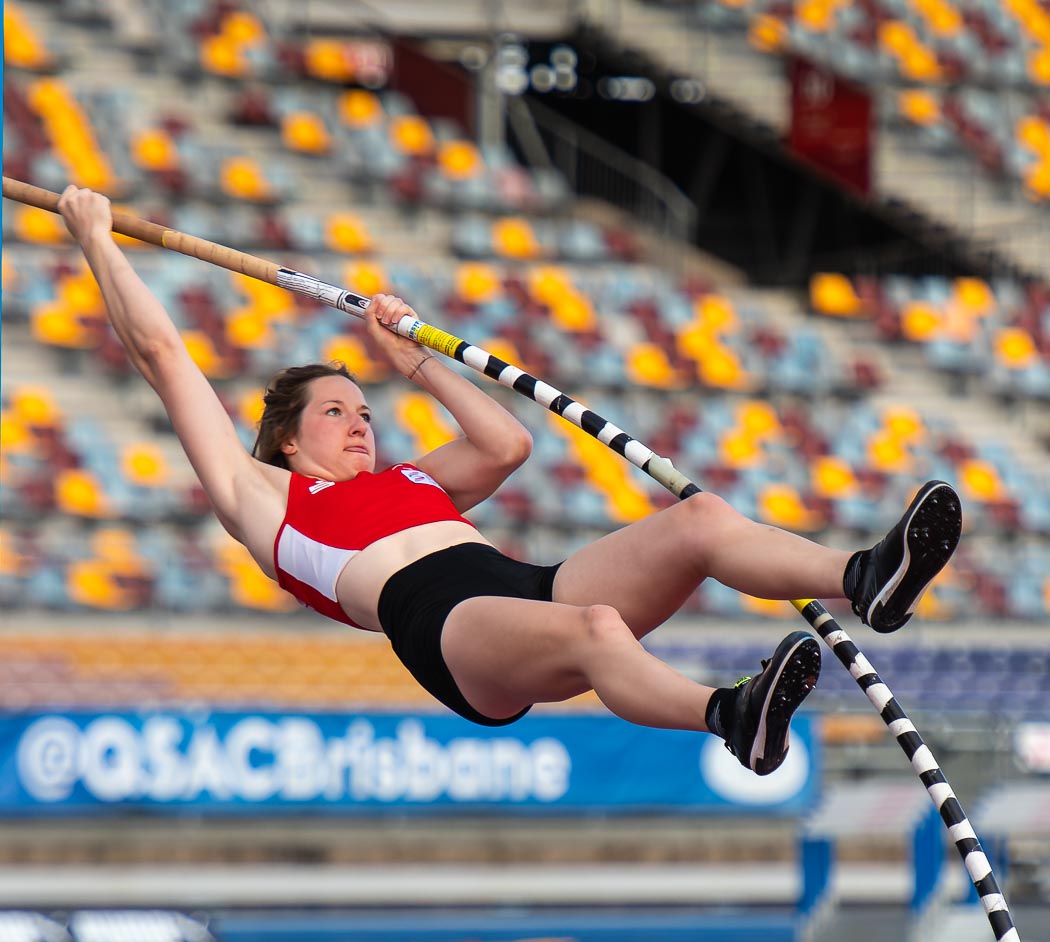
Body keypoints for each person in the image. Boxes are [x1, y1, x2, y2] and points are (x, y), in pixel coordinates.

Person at [57, 185, 962, 776]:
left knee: (700, 520)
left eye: (364, 408)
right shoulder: (262, 500)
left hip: (517, 588)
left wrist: (414, 361)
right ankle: (729, 716)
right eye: (336, 412)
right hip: (445, 627)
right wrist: (95, 238)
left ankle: (864, 580)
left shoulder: (413, 481)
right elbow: (162, 352)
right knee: (597, 629)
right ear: (288, 444)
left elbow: (504, 447)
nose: (360, 421)